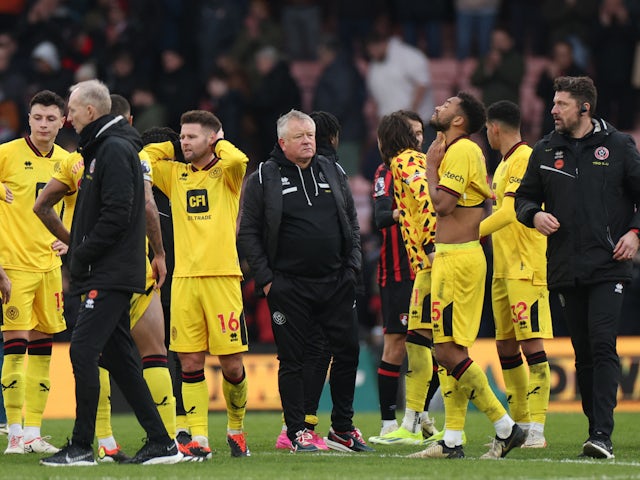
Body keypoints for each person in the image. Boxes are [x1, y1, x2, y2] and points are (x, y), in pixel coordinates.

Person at [33, 94, 199, 462]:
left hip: (107, 270)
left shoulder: (98, 156)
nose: (65, 119)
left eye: (70, 111)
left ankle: (83, 445)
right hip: (128, 267)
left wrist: (79, 248)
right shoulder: (118, 155)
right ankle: (163, 440)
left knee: (84, 350)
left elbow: (45, 206)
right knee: (127, 358)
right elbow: (145, 206)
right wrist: (156, 253)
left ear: (93, 112)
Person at [515, 76, 640, 459]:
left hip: (608, 265)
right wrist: (534, 216)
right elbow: (523, 199)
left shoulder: (618, 146)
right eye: (553, 103)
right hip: (565, 266)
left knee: (603, 345)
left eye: (561, 104)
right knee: (582, 352)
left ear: (584, 108)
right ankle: (594, 430)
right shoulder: (544, 149)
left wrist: (635, 233)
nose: (552, 110)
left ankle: (602, 433)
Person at [238, 109, 371, 453]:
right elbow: (248, 233)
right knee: (293, 359)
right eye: (299, 136)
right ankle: (297, 431)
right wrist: (267, 281)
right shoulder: (263, 177)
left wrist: (352, 267)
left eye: (310, 135)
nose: (308, 141)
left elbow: (352, 223)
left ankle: (342, 428)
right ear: (282, 142)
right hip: (289, 285)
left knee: (348, 353)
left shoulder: (333, 169)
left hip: (336, 281)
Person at [411, 92, 525, 459]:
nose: (439, 106)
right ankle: (453, 440)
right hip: (453, 257)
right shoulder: (459, 150)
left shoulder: (460, 150)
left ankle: (505, 427)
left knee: (446, 350)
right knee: (451, 352)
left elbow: (442, 204)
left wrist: (430, 167)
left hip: (459, 260)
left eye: (447, 104)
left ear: (459, 120)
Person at [143, 110, 251, 457]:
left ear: (212, 139)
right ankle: (199, 438)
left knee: (232, 364)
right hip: (184, 279)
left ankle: (236, 429)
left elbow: (239, 157)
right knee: (189, 362)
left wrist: (217, 141)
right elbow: (143, 158)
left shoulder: (228, 173)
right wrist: (176, 146)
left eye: (191, 137)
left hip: (222, 277)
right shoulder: (175, 175)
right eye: (181, 136)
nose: (184, 142)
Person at [0, 90, 69, 456]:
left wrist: (70, 241)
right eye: (38, 117)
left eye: (51, 118)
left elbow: (77, 203)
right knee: (15, 348)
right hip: (14, 265)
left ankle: (33, 432)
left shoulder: (69, 160)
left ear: (63, 121)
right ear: (28, 118)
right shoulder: (6, 153)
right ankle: (13, 434)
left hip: (49, 268)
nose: (43, 124)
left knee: (43, 351)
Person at [481, 100, 552, 448]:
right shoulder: (504, 163)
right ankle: (521, 422)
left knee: (531, 346)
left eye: (487, 129)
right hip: (503, 267)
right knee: (506, 347)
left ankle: (536, 427)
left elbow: (510, 212)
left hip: (525, 265)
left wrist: (470, 231)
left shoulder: (524, 157)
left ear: (495, 127)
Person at [368, 111, 439, 446]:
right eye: (412, 132)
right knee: (396, 345)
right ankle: (387, 422)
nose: (418, 138)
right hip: (399, 271)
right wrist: (404, 210)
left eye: (421, 132)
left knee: (439, 346)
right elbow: (380, 217)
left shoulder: (432, 168)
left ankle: (420, 413)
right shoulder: (387, 171)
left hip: (432, 265)